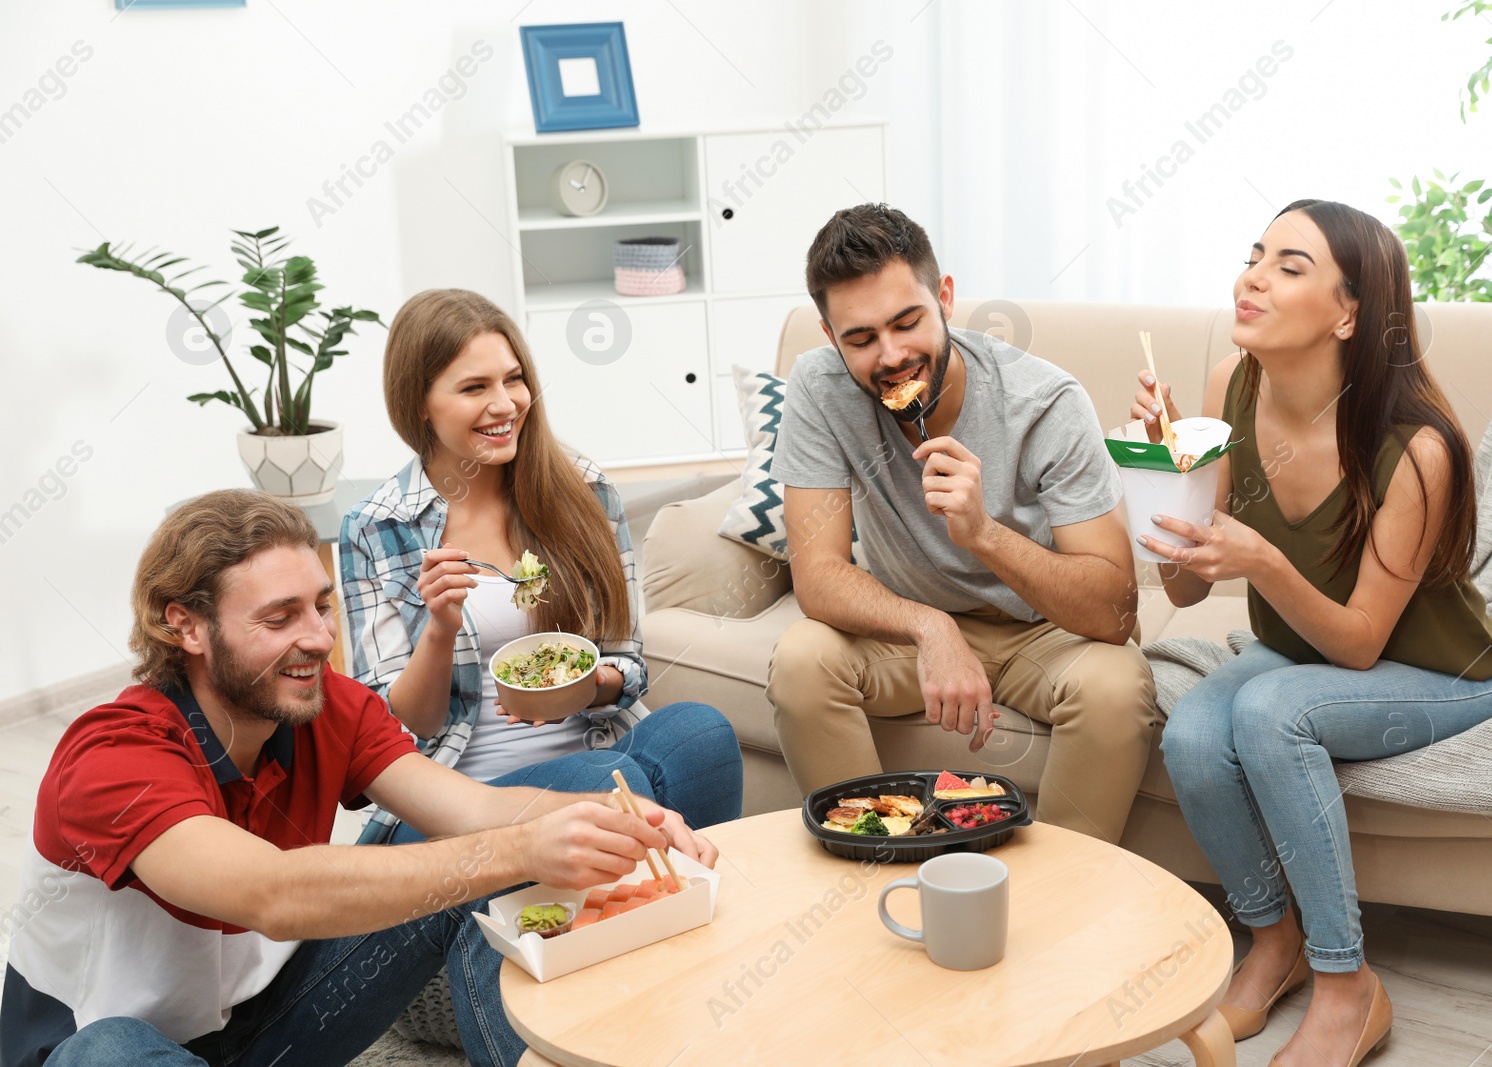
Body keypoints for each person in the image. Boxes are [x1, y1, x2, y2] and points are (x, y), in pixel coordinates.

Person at [0, 490, 718, 1067]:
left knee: (477, 857)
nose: (318, 637)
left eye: (321, 605)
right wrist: (522, 848)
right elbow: (272, 894)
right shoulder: (113, 754)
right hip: (101, 1046)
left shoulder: (324, 703)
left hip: (270, 1022)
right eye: (280, 617)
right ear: (185, 625)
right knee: (111, 1050)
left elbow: (473, 810)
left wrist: (607, 815)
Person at [1137, 200, 1492, 1067]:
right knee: (1195, 731)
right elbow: (1187, 589)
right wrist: (1167, 476)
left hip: (1442, 669)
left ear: (1349, 313)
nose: (1254, 276)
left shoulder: (1416, 449)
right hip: (1304, 652)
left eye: (1290, 265)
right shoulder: (1226, 393)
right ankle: (1272, 940)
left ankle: (1349, 985)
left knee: (1270, 713)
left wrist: (1265, 560)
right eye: (1254, 255)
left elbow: (1360, 644)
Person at [767, 203, 1159, 843]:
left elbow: (1114, 612)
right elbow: (818, 576)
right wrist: (929, 627)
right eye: (860, 339)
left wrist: (983, 533)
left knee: (1117, 687)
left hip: (1045, 633)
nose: (891, 356)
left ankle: (1064, 903)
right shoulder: (818, 387)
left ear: (944, 297)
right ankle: (876, 871)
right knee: (801, 658)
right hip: (911, 629)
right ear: (829, 335)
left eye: (907, 322)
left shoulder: (1046, 402)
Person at [340, 289, 742, 845]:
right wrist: (440, 629)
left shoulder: (585, 490)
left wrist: (588, 688)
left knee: (702, 733)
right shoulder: (377, 527)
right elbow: (396, 729)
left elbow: (626, 660)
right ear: (419, 404)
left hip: (595, 749)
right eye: (474, 387)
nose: (505, 404)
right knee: (598, 787)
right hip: (459, 801)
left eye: (513, 379)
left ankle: (680, 900)